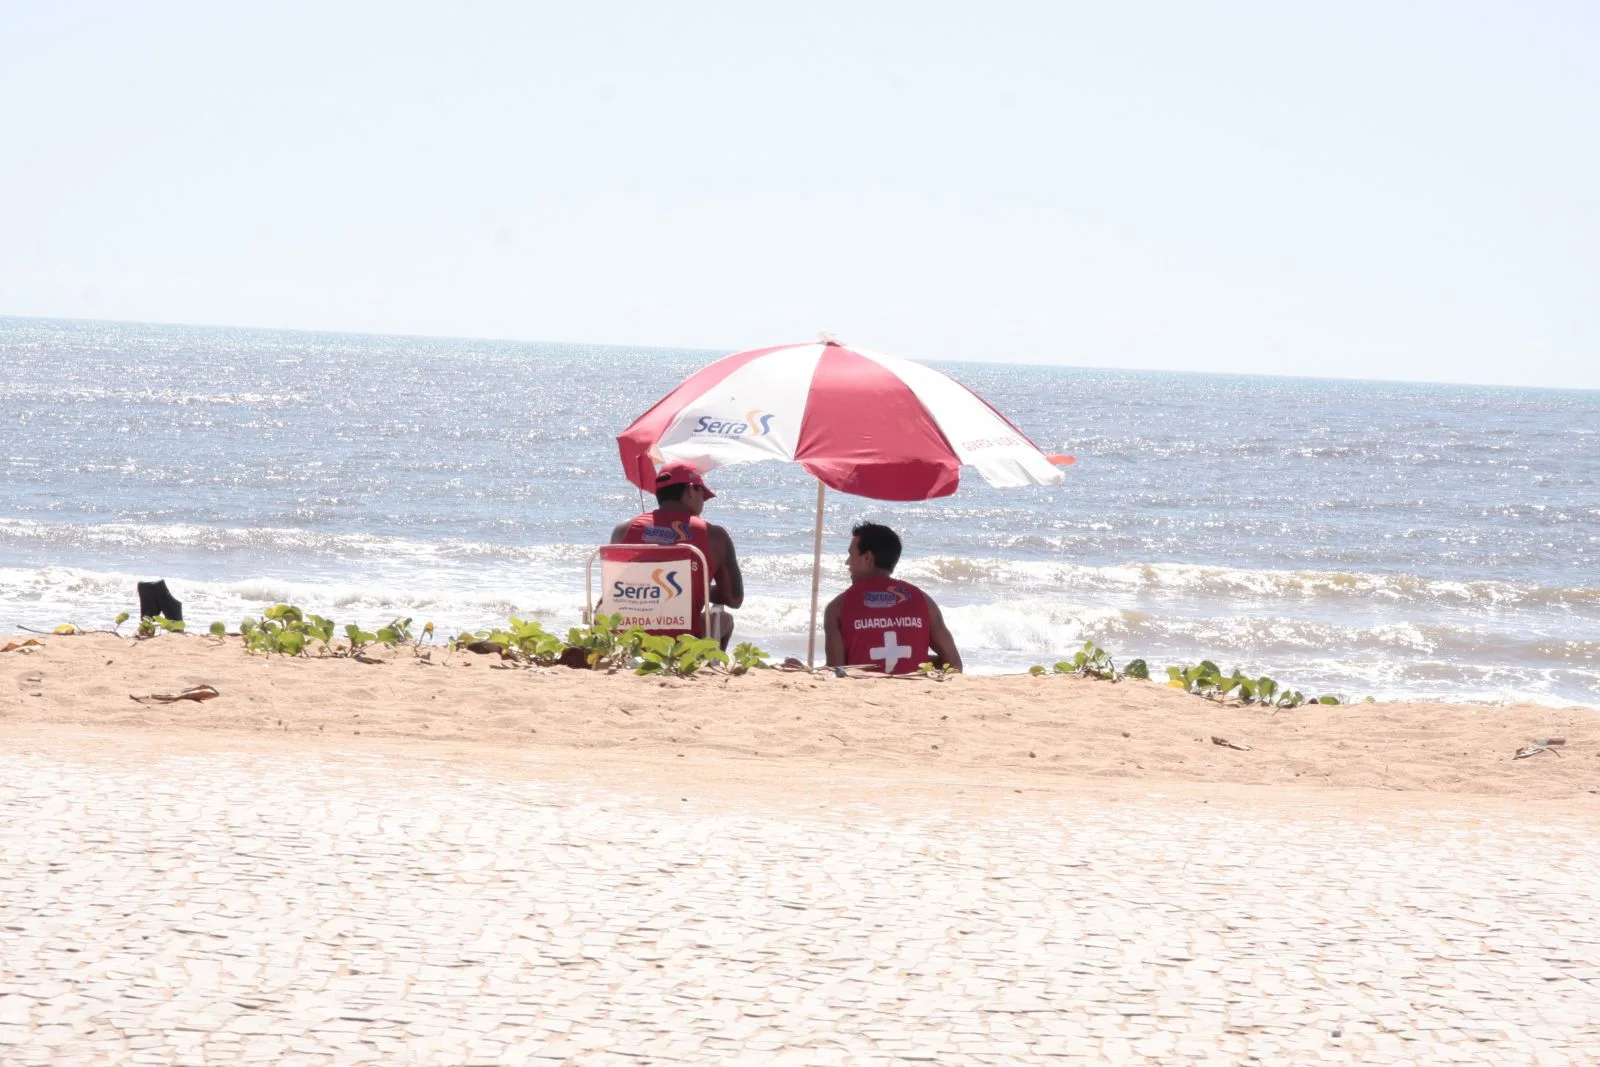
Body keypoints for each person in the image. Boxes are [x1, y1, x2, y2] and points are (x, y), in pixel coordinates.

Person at [611, 461, 744, 648]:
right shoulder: (715, 535)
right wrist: (695, 588)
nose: (702, 502)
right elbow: (735, 598)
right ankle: (708, 669)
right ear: (691, 491)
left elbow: (616, 588)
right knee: (725, 620)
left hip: (628, 639)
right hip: (683, 639)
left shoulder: (623, 529)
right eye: (702, 495)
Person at [823, 522, 961, 674]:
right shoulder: (924, 602)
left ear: (867, 558)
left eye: (851, 554)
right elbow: (954, 665)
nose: (847, 562)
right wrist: (918, 660)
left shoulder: (837, 608)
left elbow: (836, 672)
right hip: (914, 691)